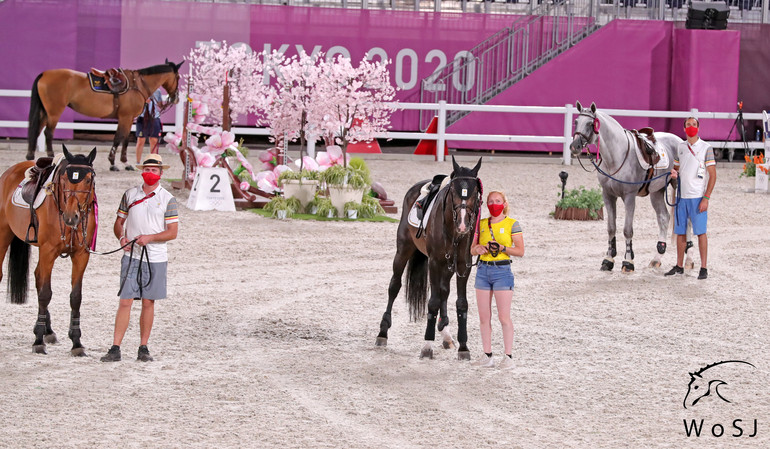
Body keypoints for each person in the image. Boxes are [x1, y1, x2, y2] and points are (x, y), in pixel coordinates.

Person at [101, 154, 179, 362]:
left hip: (156, 257)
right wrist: (121, 237)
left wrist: (150, 238)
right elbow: (119, 222)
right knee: (125, 301)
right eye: (147, 169)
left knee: (148, 302)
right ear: (142, 171)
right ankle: (115, 347)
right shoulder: (130, 195)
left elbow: (172, 232)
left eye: (154, 170)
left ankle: (143, 347)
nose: (150, 173)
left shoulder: (168, 199)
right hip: (132, 255)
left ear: (161, 173)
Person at [469, 191, 525, 369]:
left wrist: (502, 247)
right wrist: (478, 249)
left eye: (498, 201)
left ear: (504, 203)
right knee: (484, 317)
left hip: (502, 270)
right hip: (483, 270)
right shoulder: (482, 224)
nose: (494, 204)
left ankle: (508, 356)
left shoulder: (512, 224)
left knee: (503, 316)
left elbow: (520, 251)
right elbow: (472, 249)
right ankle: (487, 354)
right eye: (491, 201)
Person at [665, 117, 716, 280]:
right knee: (680, 232)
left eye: (694, 125)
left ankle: (704, 267)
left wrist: (706, 198)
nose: (691, 127)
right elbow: (677, 168)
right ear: (684, 128)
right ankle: (679, 266)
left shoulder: (706, 148)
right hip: (681, 197)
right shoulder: (681, 147)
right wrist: (674, 173)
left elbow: (713, 175)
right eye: (688, 125)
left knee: (700, 233)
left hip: (697, 197)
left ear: (698, 128)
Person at [130, 89, 164, 171]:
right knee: (140, 140)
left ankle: (154, 161)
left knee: (154, 140)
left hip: (154, 117)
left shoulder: (157, 91)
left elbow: (160, 104)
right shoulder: (140, 90)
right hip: (142, 117)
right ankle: (138, 162)